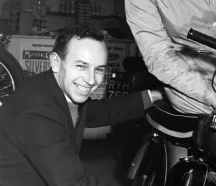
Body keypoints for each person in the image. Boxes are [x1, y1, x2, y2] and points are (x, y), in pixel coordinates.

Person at [0, 24, 162, 186]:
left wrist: (154, 96)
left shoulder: (57, 88)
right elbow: (74, 183)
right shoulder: (37, 112)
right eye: (81, 66)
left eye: (98, 69)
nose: (91, 80)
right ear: (55, 62)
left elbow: (101, 111)